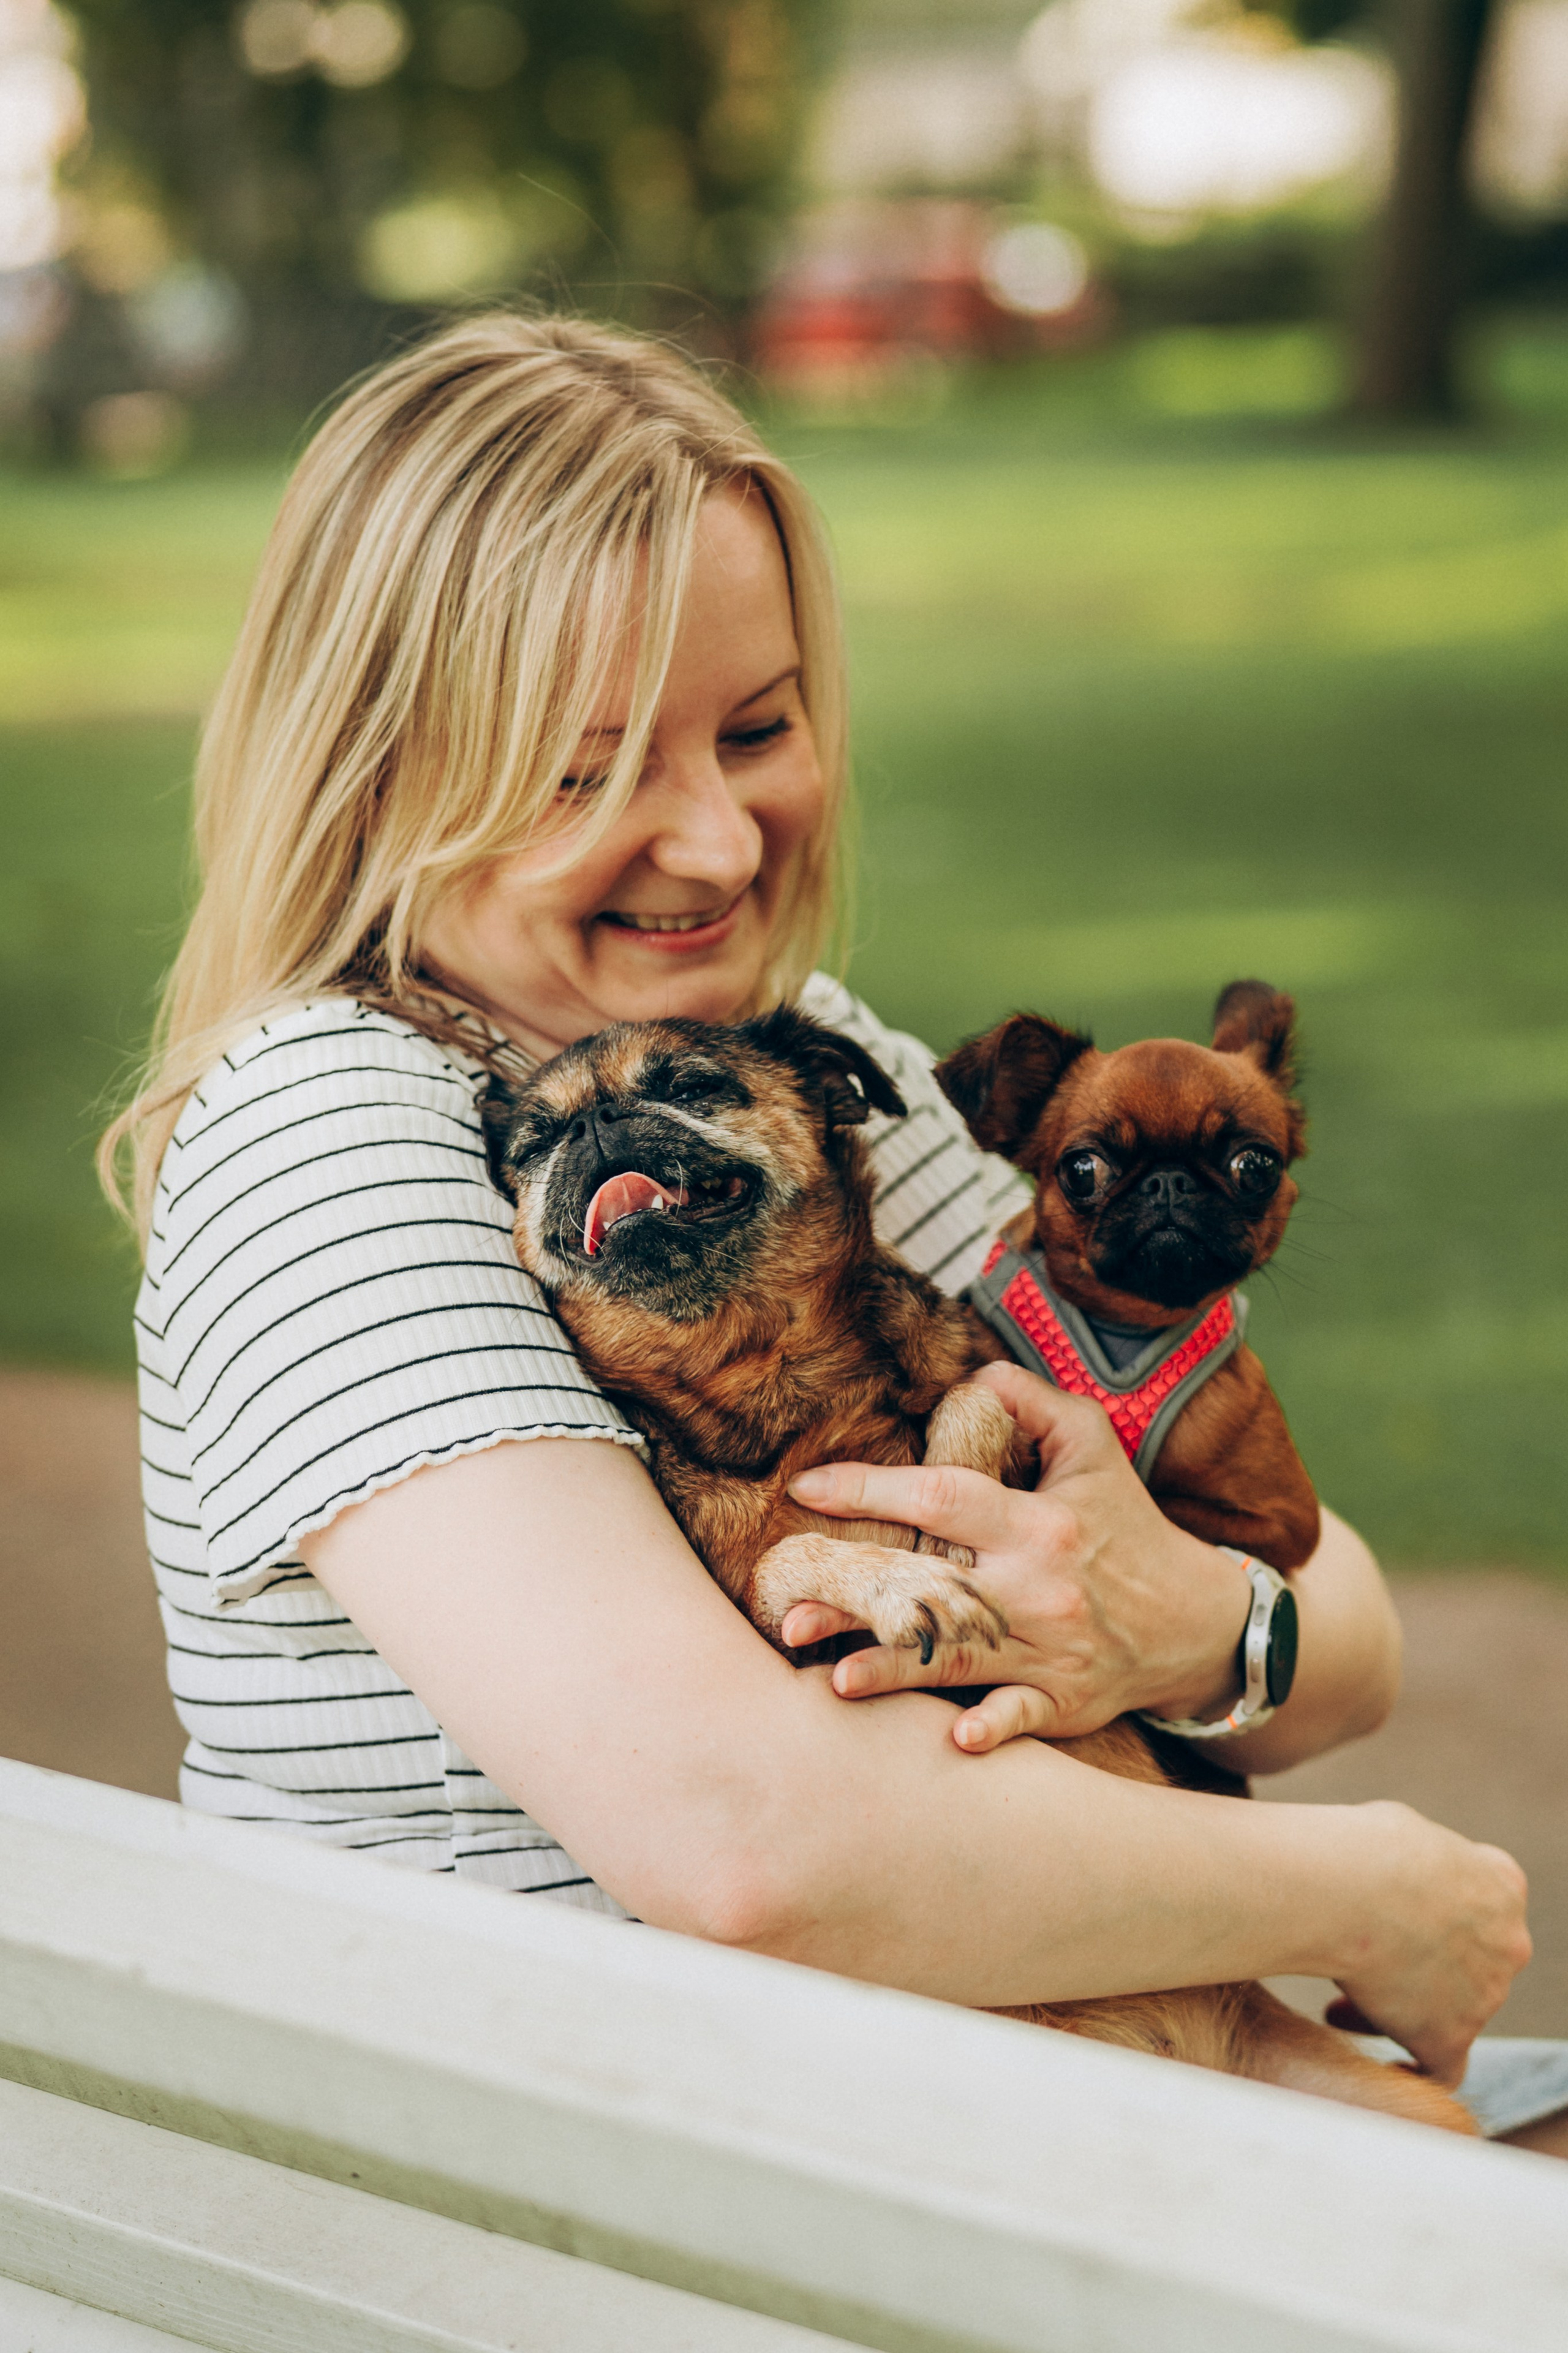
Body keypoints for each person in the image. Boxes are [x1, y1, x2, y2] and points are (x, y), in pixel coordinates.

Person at [102, 311, 1563, 2147]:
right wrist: (1371, 1895)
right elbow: (748, 1845)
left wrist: (1180, 1623)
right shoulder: (328, 1126)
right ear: (384, 768)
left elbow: (1341, 1633)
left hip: (970, 2108)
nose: (721, 844)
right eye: (586, 769)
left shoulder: (796, 1059)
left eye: (758, 727)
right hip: (619, 2176)